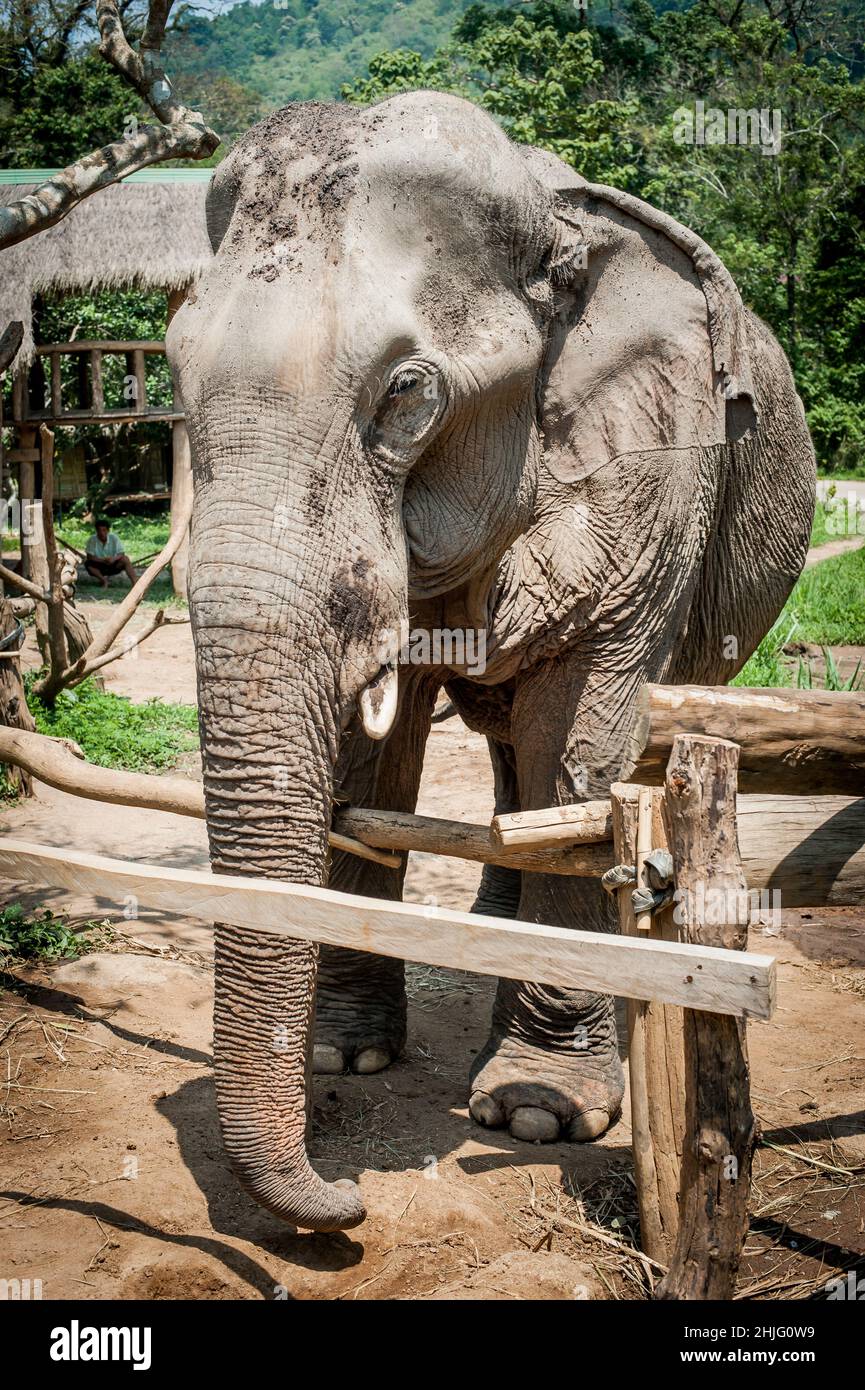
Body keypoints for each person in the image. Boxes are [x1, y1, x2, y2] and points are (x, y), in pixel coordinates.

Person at [84, 520, 138, 588]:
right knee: (88, 563)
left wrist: (113, 559)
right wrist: (102, 560)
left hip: (113, 564)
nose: (101, 533)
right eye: (99, 530)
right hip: (99, 565)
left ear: (108, 531)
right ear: (96, 531)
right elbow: (89, 556)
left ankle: (135, 582)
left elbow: (121, 553)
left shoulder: (114, 538)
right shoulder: (92, 539)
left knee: (125, 559)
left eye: (104, 530)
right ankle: (104, 581)